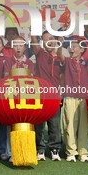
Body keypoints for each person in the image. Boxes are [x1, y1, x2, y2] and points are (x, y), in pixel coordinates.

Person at [57, 36, 88, 162]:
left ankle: (83, 152)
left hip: (84, 98)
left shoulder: (86, 62)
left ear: (81, 49)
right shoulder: (67, 61)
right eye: (70, 46)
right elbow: (59, 54)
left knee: (84, 125)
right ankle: (71, 152)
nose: (72, 48)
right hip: (70, 96)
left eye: (75, 46)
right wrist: (60, 41)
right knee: (69, 124)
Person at [31, 31, 62, 161]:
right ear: (42, 43)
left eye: (51, 39)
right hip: (40, 95)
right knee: (39, 125)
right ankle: (40, 149)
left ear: (56, 41)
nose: (48, 42)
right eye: (45, 40)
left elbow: (63, 78)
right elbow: (34, 42)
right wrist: (34, 29)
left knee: (54, 124)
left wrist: (61, 93)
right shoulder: (40, 54)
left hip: (55, 96)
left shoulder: (61, 58)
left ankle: (55, 149)